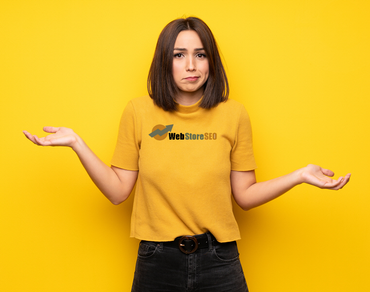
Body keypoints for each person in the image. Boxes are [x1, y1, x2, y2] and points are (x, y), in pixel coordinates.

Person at [23, 17, 350, 292]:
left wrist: (299, 175)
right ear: (164, 60)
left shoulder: (234, 115)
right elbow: (118, 191)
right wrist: (78, 143)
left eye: (200, 55)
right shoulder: (138, 112)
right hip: (156, 263)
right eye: (179, 55)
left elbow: (245, 196)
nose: (191, 65)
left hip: (220, 261)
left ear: (212, 61)